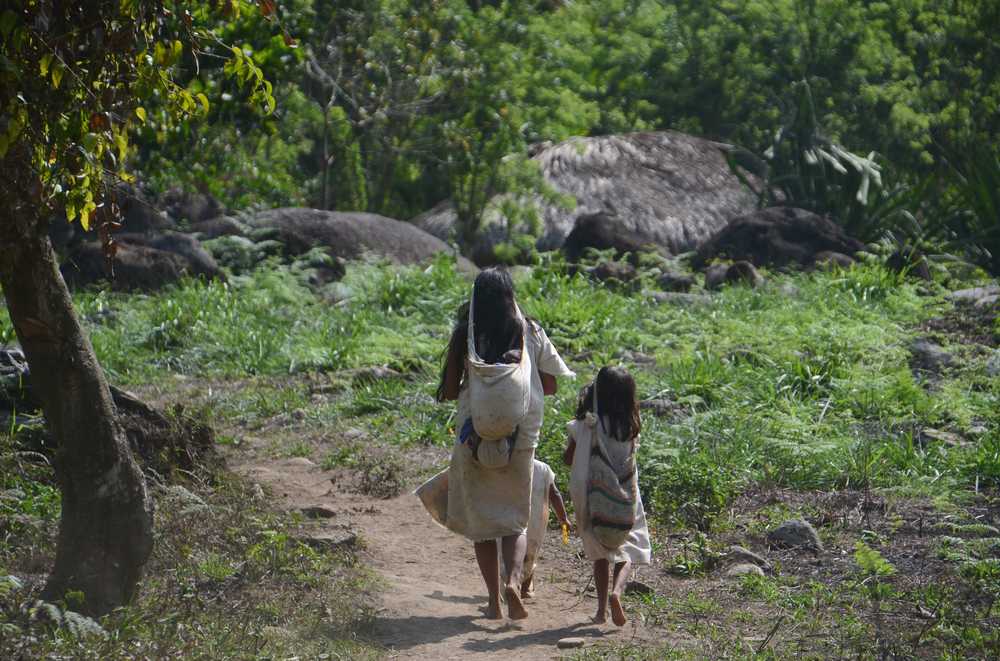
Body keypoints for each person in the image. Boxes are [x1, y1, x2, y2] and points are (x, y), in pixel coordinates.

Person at [437, 266, 574, 620]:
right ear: (510, 296)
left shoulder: (464, 336)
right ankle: (513, 581)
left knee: (483, 525)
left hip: (472, 437)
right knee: (515, 520)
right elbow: (552, 385)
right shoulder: (531, 330)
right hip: (521, 438)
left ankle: (494, 602)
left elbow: (450, 391)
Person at [564, 366, 651, 626]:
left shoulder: (585, 424)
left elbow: (569, 459)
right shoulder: (632, 426)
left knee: (599, 553)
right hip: (625, 497)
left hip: (593, 498)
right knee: (628, 547)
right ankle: (617, 592)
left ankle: (601, 611)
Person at [508, 459, 571, 600]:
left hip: (511, 518)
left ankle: (511, 584)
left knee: (510, 552)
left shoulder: (509, 463)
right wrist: (563, 518)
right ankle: (524, 589)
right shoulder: (543, 468)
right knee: (531, 554)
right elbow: (554, 494)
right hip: (535, 521)